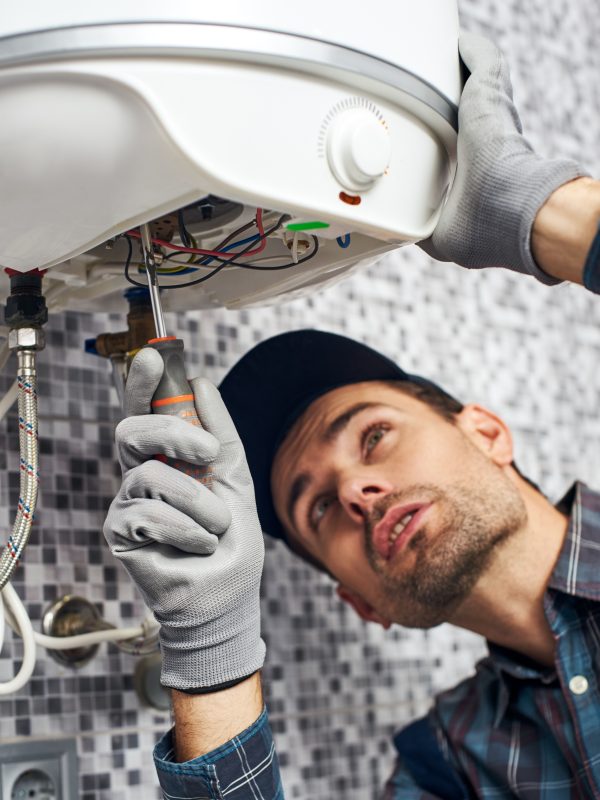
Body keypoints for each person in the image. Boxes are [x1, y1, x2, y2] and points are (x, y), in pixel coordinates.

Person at [102, 33, 600, 799]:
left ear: (487, 432)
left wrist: (548, 216)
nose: (359, 493)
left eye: (374, 435)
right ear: (364, 603)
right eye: (320, 506)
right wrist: (210, 651)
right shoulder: (449, 767)